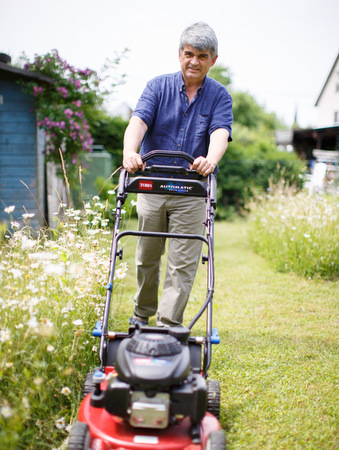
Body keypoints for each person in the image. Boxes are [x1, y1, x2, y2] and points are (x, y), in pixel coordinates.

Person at [123, 22, 233, 327]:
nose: (194, 61)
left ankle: (168, 323)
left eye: (202, 55)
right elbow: (139, 121)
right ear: (179, 54)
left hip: (192, 190)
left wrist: (210, 160)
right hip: (152, 183)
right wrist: (130, 152)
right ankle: (141, 315)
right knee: (147, 256)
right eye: (188, 54)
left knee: (182, 263)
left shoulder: (220, 96)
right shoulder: (157, 87)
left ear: (213, 59)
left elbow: (220, 131)